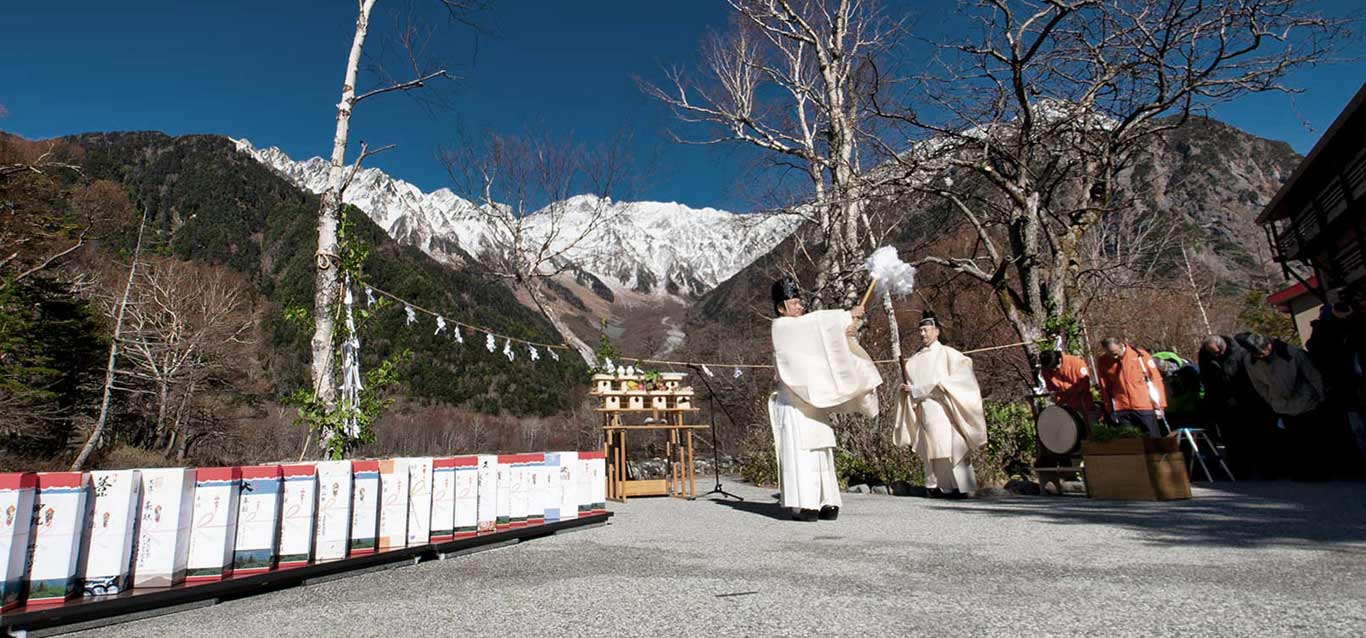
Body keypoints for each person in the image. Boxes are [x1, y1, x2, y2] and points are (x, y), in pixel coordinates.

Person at [768, 277, 882, 521]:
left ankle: (826, 502)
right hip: (794, 403)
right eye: (794, 303)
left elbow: (823, 344)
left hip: (812, 400)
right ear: (781, 307)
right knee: (803, 452)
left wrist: (847, 332)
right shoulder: (781, 328)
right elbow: (816, 326)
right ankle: (807, 504)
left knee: (820, 451)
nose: (800, 307)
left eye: (800, 303)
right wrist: (845, 316)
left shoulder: (802, 328)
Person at [893, 311, 988, 498]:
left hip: (944, 407)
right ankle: (935, 485)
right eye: (920, 330)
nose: (922, 334)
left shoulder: (949, 354)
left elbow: (961, 377)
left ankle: (960, 487)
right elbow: (910, 387)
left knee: (951, 446)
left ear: (936, 331)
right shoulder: (912, 362)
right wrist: (906, 391)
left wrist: (923, 389)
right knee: (931, 448)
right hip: (924, 409)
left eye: (926, 330)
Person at [1243, 332, 1329, 480]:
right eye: (1258, 354)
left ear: (1269, 344)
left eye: (1264, 351)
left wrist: (1321, 397)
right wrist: (1270, 399)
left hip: (1305, 402)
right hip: (1281, 405)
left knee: (1312, 440)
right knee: (1293, 442)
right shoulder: (1251, 361)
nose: (1262, 355)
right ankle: (1300, 472)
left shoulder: (1292, 353)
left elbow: (1313, 376)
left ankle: (1318, 472)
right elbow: (1259, 385)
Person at [1199, 335, 1273, 479]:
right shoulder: (1205, 357)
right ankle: (1239, 472)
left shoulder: (1240, 352)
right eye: (1213, 353)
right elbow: (1207, 381)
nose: (1217, 355)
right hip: (1223, 405)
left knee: (1255, 437)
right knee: (1232, 441)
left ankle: (1265, 469)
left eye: (1219, 352)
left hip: (1246, 401)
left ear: (1223, 346)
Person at [1094, 337, 1167, 437]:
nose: (1113, 357)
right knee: (1131, 443)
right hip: (1122, 409)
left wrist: (1160, 406)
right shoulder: (1103, 361)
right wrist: (1109, 409)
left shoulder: (1140, 356)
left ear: (1121, 345)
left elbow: (1156, 380)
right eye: (1109, 354)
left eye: (1115, 353)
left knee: (1153, 440)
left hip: (1143, 407)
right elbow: (1105, 387)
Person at [1039, 350, 1093, 424]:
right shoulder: (1045, 370)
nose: (1053, 370)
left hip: (1083, 403)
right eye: (1050, 368)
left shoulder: (1076, 362)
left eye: (1054, 367)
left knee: (1089, 425)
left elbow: (1085, 383)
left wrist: (1074, 396)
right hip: (1064, 407)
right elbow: (1051, 388)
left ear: (1060, 359)